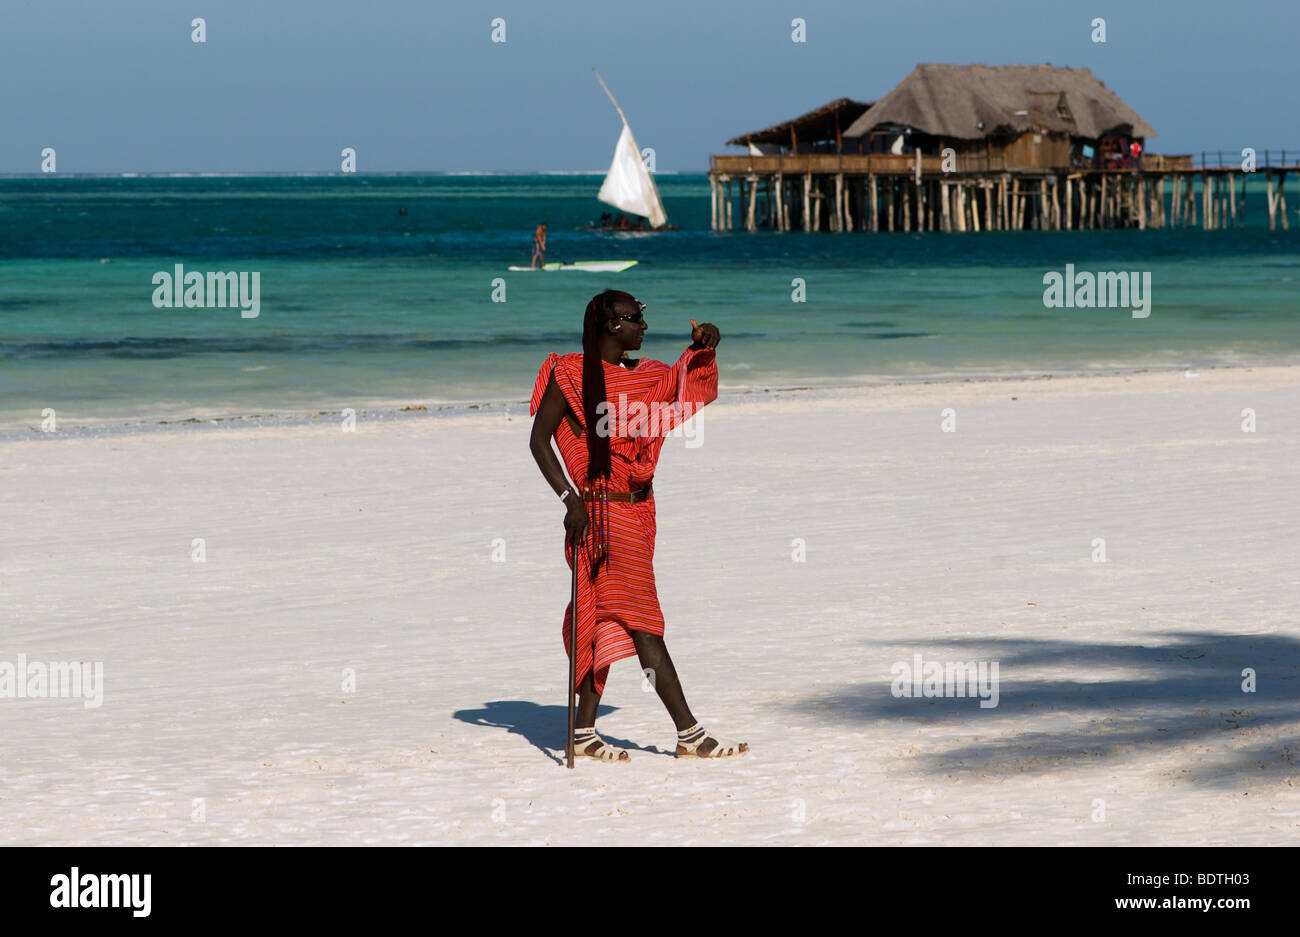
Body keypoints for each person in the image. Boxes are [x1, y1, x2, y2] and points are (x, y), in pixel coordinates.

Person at [528, 290, 748, 762]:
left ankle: (583, 732)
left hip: (640, 512)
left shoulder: (644, 375)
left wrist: (704, 348)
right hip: (600, 518)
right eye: (635, 319)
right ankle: (689, 733)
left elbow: (687, 388)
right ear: (611, 326)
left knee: (604, 616)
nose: (644, 327)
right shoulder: (568, 374)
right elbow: (539, 440)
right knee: (645, 623)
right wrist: (570, 500)